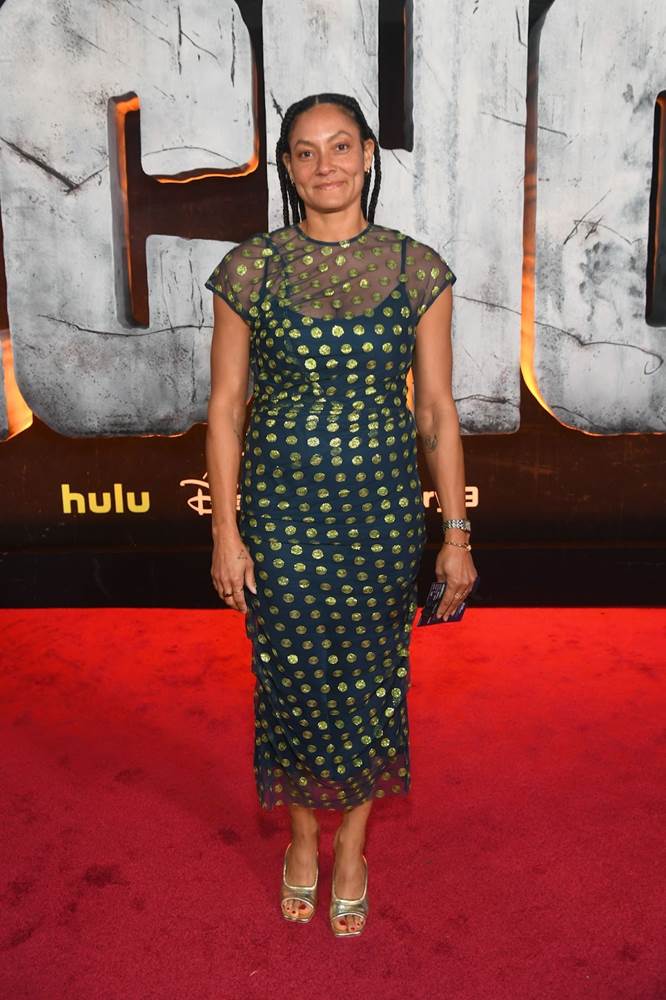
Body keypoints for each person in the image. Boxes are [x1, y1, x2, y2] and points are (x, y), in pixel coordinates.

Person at [204, 92, 477, 937]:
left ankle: (352, 848)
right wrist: (225, 530)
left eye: (341, 146)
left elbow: (436, 411)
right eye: (305, 151)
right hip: (280, 514)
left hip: (381, 515)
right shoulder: (250, 269)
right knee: (287, 678)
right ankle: (299, 838)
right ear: (288, 169)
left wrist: (456, 535)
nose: (326, 165)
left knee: (372, 681)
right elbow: (226, 407)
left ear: (367, 156)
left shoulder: (418, 269)